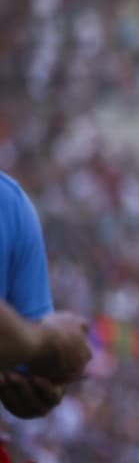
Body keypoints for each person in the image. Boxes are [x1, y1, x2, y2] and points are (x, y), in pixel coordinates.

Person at [0, 171, 91, 419]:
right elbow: (37, 341)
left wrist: (45, 379)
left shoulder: (11, 204)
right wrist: (46, 343)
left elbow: (37, 368)